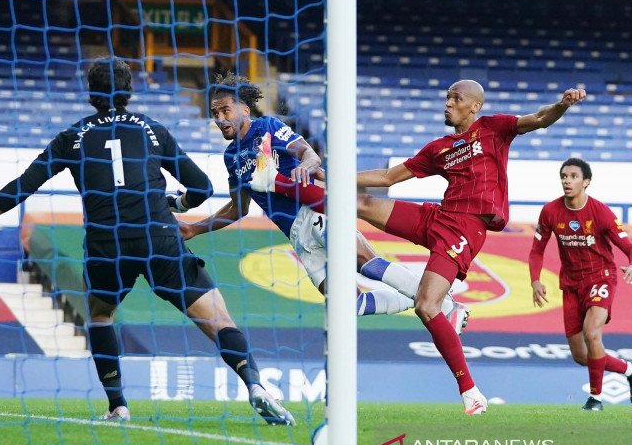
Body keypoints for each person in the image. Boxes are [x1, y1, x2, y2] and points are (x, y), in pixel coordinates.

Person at [0, 57, 295, 426]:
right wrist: (173, 203)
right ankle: (255, 384)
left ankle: (118, 406)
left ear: (91, 94)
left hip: (107, 244)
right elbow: (202, 188)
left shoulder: (71, 137)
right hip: (158, 236)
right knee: (217, 318)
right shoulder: (152, 129)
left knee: (100, 316)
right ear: (129, 91)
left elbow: (20, 188)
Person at [252, 79, 587, 415]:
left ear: (475, 106)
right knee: (363, 203)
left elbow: (540, 117)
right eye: (447, 97)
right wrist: (325, 174)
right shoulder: (440, 148)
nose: (448, 103)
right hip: (439, 216)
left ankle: (471, 392)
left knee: (427, 307)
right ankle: (276, 182)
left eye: (456, 98)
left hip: (467, 228)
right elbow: (387, 178)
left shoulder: (495, 128)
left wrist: (562, 104)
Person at [177, 73, 468, 333]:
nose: (220, 118)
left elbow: (309, 154)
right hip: (295, 235)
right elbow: (238, 209)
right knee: (348, 305)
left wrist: (305, 165)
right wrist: (194, 229)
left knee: (364, 261)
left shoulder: (267, 127)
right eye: (215, 113)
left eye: (226, 110)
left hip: (313, 212)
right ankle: (432, 296)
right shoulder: (231, 158)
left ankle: (443, 306)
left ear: (244, 108)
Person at [529, 158, 632, 411]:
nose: (567, 180)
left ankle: (595, 399)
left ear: (586, 182)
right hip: (571, 284)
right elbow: (537, 250)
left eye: (573, 176)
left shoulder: (600, 212)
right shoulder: (550, 211)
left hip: (600, 277)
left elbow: (630, 247)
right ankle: (630, 369)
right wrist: (535, 280)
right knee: (582, 356)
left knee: (592, 333)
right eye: (564, 176)